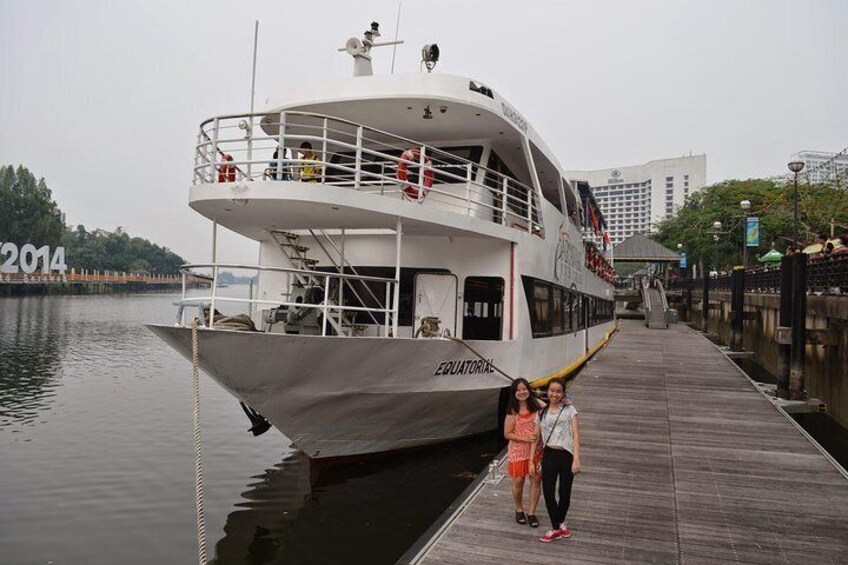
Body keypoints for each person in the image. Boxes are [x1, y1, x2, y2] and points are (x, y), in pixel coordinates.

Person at [532, 377, 580, 543]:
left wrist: (577, 459)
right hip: (549, 454)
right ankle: (557, 527)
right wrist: (533, 459)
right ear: (547, 391)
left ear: (563, 393)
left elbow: (576, 434)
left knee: (565, 492)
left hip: (566, 454)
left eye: (558, 391)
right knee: (548, 490)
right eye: (552, 390)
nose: (554, 394)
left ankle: (559, 523)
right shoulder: (542, 412)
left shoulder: (569, 409)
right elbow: (536, 437)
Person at [503, 378, 543, 528]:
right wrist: (525, 438)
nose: (522, 392)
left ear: (529, 390)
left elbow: (551, 409)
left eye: (524, 389)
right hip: (519, 449)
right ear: (514, 393)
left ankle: (532, 512)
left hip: (536, 449)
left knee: (535, 479)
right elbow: (507, 433)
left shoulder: (537, 404)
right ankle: (519, 508)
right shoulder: (512, 411)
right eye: (518, 390)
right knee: (518, 480)